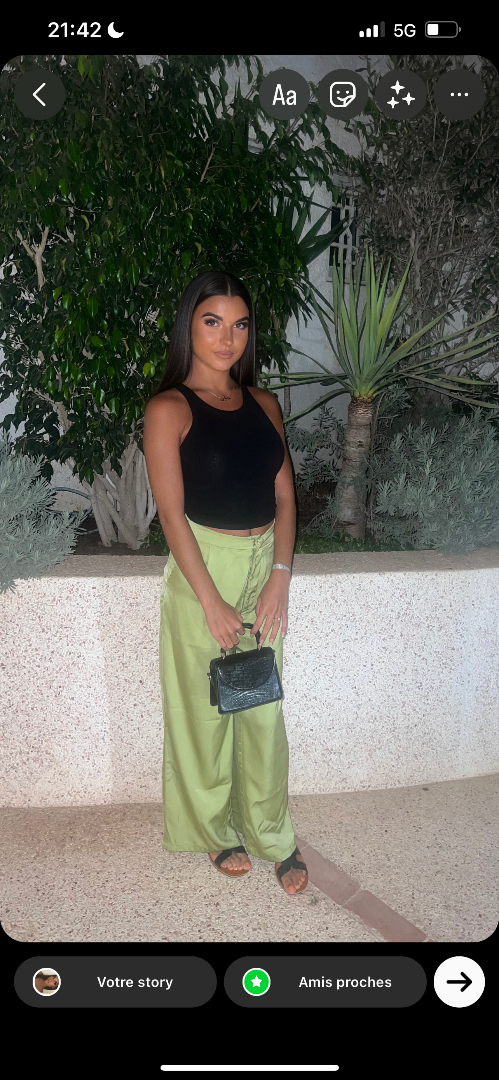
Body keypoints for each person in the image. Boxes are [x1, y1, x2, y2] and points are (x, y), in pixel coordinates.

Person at [143, 270, 308, 896]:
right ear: (189, 326)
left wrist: (280, 576)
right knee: (205, 712)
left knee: (261, 706)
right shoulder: (169, 409)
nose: (227, 338)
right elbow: (170, 514)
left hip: (265, 566)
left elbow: (285, 496)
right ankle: (214, 829)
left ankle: (271, 831)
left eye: (239, 325)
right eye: (212, 322)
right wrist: (209, 600)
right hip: (200, 569)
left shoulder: (264, 405)